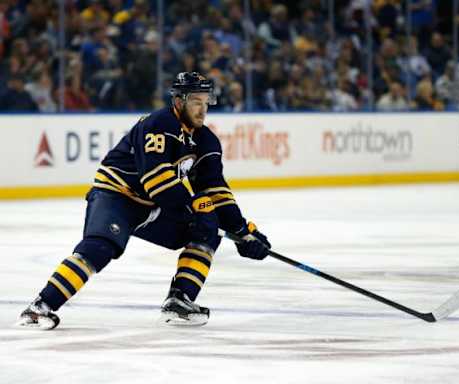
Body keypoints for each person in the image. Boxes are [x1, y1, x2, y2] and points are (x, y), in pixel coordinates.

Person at [16, 72, 271, 330]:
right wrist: (196, 208)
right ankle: (39, 307)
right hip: (117, 196)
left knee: (209, 231)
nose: (203, 109)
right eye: (196, 101)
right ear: (179, 101)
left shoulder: (205, 140)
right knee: (100, 247)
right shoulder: (158, 124)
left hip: (153, 207)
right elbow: (157, 182)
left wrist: (242, 231)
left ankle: (179, 300)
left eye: (206, 102)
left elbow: (216, 189)